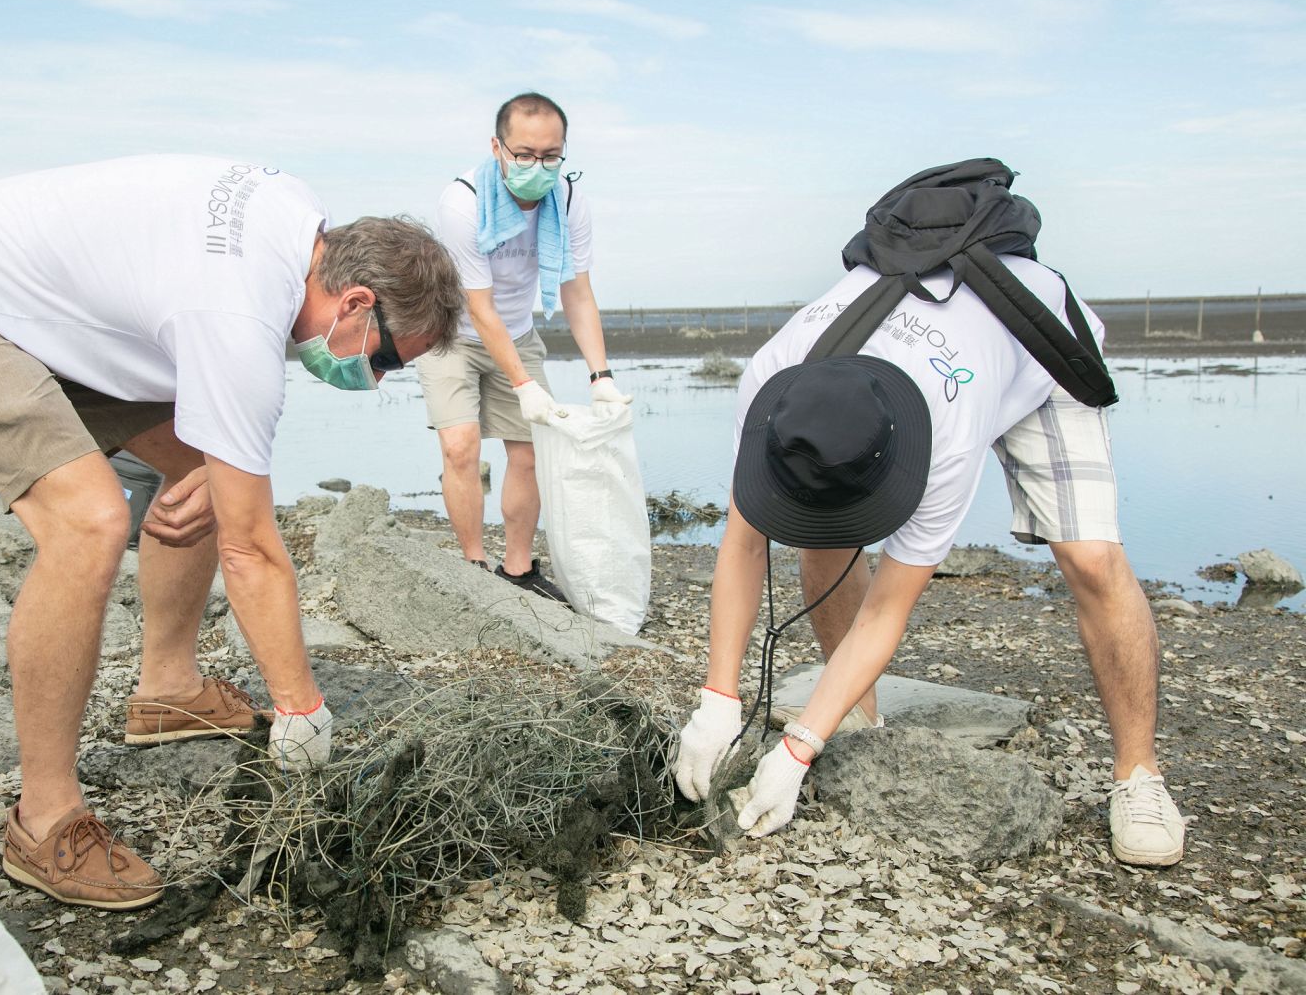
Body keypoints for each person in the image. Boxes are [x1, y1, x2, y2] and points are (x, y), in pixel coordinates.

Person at [0, 154, 462, 909]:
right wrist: (302, 708)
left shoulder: (296, 222)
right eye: (384, 360)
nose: (372, 381)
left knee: (207, 471)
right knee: (92, 520)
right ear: (356, 301)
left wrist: (217, 464)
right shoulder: (237, 314)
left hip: (43, 306)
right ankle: (43, 821)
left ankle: (168, 689)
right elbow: (252, 552)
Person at [673, 237, 1187, 867]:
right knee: (824, 541)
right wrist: (717, 702)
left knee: (1092, 560)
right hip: (910, 362)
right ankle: (853, 723)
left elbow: (888, 609)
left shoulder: (948, 440)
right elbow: (744, 543)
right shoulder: (768, 381)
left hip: (1040, 345)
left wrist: (794, 750)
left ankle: (1140, 778)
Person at [418, 92, 631, 601]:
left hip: (516, 332)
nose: (538, 166)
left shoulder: (570, 200)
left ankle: (518, 570)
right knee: (460, 445)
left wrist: (601, 377)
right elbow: (479, 307)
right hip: (450, 332)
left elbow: (578, 292)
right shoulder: (463, 203)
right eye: (524, 154)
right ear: (498, 147)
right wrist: (524, 384)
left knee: (530, 452)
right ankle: (474, 567)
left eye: (550, 156)